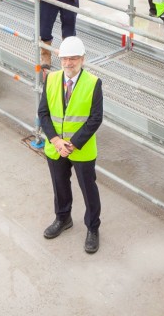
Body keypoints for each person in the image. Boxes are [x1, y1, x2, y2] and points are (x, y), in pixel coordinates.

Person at [38, 36, 103, 254]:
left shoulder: (93, 83)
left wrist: (73, 144)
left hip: (81, 149)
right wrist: (56, 141)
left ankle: (93, 228)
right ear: (60, 59)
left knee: (88, 189)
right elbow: (43, 113)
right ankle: (63, 218)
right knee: (60, 186)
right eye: (65, 59)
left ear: (82, 59)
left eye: (74, 59)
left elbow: (95, 118)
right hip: (56, 148)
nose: (69, 63)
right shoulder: (52, 79)